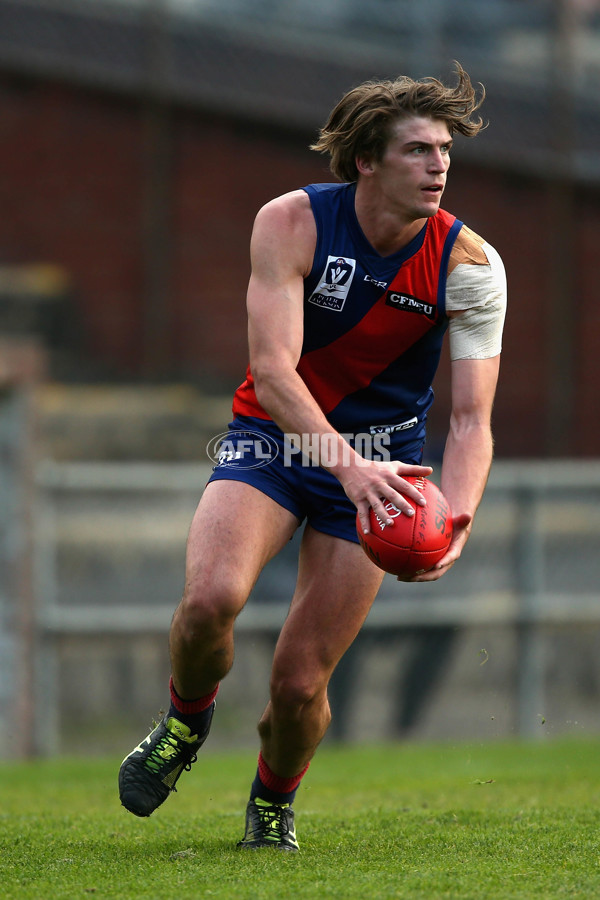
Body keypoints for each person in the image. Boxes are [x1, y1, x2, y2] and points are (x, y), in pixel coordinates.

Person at [118, 61, 506, 851]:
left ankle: (272, 805)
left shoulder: (471, 268)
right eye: (418, 151)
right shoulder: (290, 222)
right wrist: (345, 465)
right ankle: (186, 724)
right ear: (367, 159)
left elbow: (470, 422)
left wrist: (455, 517)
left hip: (387, 465)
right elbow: (273, 371)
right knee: (208, 603)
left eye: (445, 152)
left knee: (299, 684)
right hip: (275, 435)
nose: (439, 166)